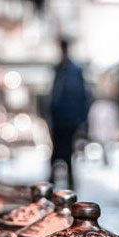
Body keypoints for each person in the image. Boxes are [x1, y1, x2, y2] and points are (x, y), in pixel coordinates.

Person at [50, 39, 89, 187]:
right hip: (58, 120)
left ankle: (69, 182)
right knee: (57, 152)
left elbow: (81, 96)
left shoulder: (74, 71)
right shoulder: (58, 69)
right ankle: (54, 182)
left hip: (69, 120)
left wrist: (81, 121)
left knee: (67, 152)